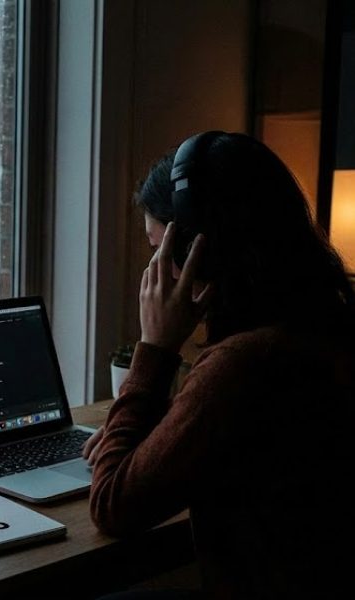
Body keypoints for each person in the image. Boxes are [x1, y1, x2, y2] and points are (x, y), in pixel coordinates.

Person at [82, 131, 355, 599]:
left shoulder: (244, 364)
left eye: (158, 251)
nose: (152, 276)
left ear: (196, 252)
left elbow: (113, 505)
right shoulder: (324, 325)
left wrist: (155, 346)